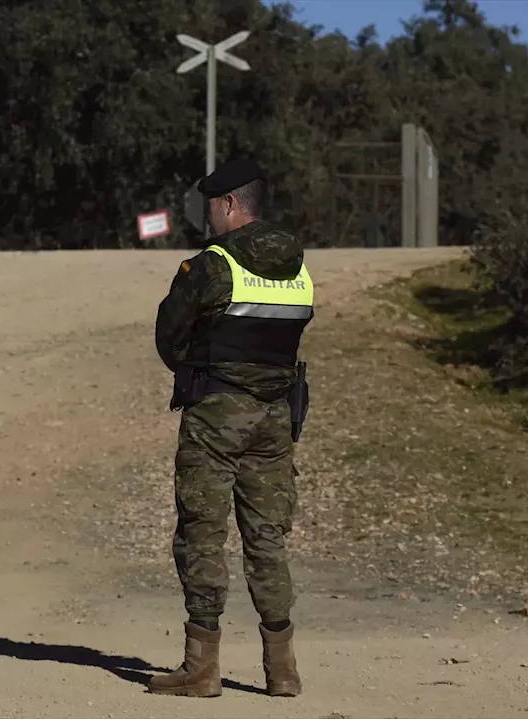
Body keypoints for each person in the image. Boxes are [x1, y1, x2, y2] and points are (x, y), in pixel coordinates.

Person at [149, 158, 314, 699]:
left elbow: (170, 339)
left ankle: (201, 668)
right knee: (267, 538)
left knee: (201, 533)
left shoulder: (211, 267)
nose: (210, 218)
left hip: (217, 415)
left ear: (229, 205)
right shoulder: (297, 265)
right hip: (274, 417)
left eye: (212, 208)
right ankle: (282, 671)